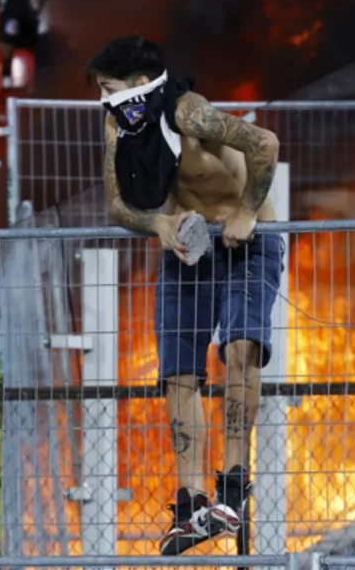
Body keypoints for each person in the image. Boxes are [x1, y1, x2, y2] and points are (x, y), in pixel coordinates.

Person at [88, 36, 282, 556]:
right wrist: (159, 222)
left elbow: (264, 144)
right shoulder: (118, 127)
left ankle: (235, 490)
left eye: (108, 88)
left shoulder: (190, 114)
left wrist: (245, 212)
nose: (103, 99)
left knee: (240, 351)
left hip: (246, 243)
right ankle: (193, 502)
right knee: (178, 372)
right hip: (187, 251)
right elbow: (117, 206)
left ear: (135, 84)